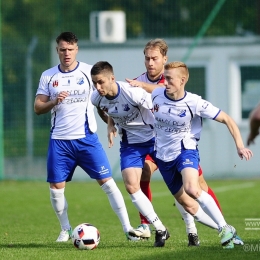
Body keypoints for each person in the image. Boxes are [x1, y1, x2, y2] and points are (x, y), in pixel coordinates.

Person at [34, 32, 138, 242]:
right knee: (56, 188)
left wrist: (110, 122)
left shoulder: (88, 72)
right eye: (63, 49)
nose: (67, 53)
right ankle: (65, 229)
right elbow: (37, 107)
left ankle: (128, 229)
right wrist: (53, 102)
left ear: (76, 50)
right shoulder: (48, 76)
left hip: (87, 139)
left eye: (70, 49)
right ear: (57, 50)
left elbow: (105, 99)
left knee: (108, 183)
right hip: (60, 141)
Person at [125, 38, 222, 246]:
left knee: (198, 186)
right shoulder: (137, 81)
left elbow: (169, 94)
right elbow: (123, 102)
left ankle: (215, 224)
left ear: (164, 59)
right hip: (152, 142)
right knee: (145, 172)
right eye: (147, 58)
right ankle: (147, 224)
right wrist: (111, 124)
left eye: (155, 58)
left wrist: (141, 87)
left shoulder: (170, 81)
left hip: (178, 144)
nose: (150, 63)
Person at [151, 61, 253, 249]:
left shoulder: (195, 102)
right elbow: (146, 90)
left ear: (182, 80)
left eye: (170, 79)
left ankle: (224, 227)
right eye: (164, 78)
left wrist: (240, 145)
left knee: (193, 188)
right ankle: (227, 231)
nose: (165, 82)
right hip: (163, 157)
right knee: (190, 208)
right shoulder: (156, 94)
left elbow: (227, 119)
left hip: (185, 151)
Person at [90, 61, 170, 247]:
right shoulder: (96, 97)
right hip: (131, 145)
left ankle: (194, 229)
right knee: (131, 185)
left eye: (101, 82)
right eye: (94, 83)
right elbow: (104, 108)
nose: (97, 87)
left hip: (154, 140)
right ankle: (160, 229)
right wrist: (110, 124)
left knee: (180, 186)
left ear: (112, 78)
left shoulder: (132, 92)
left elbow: (158, 107)